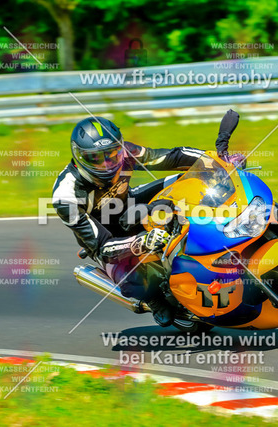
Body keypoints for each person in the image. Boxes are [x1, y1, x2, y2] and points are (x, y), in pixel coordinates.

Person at [52, 116, 208, 327]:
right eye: (96, 158)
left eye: (111, 155)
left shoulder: (125, 151)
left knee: (190, 179)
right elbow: (101, 246)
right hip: (106, 238)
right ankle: (154, 298)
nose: (106, 164)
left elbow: (171, 157)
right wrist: (141, 242)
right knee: (135, 281)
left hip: (128, 203)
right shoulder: (65, 196)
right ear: (79, 157)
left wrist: (215, 160)